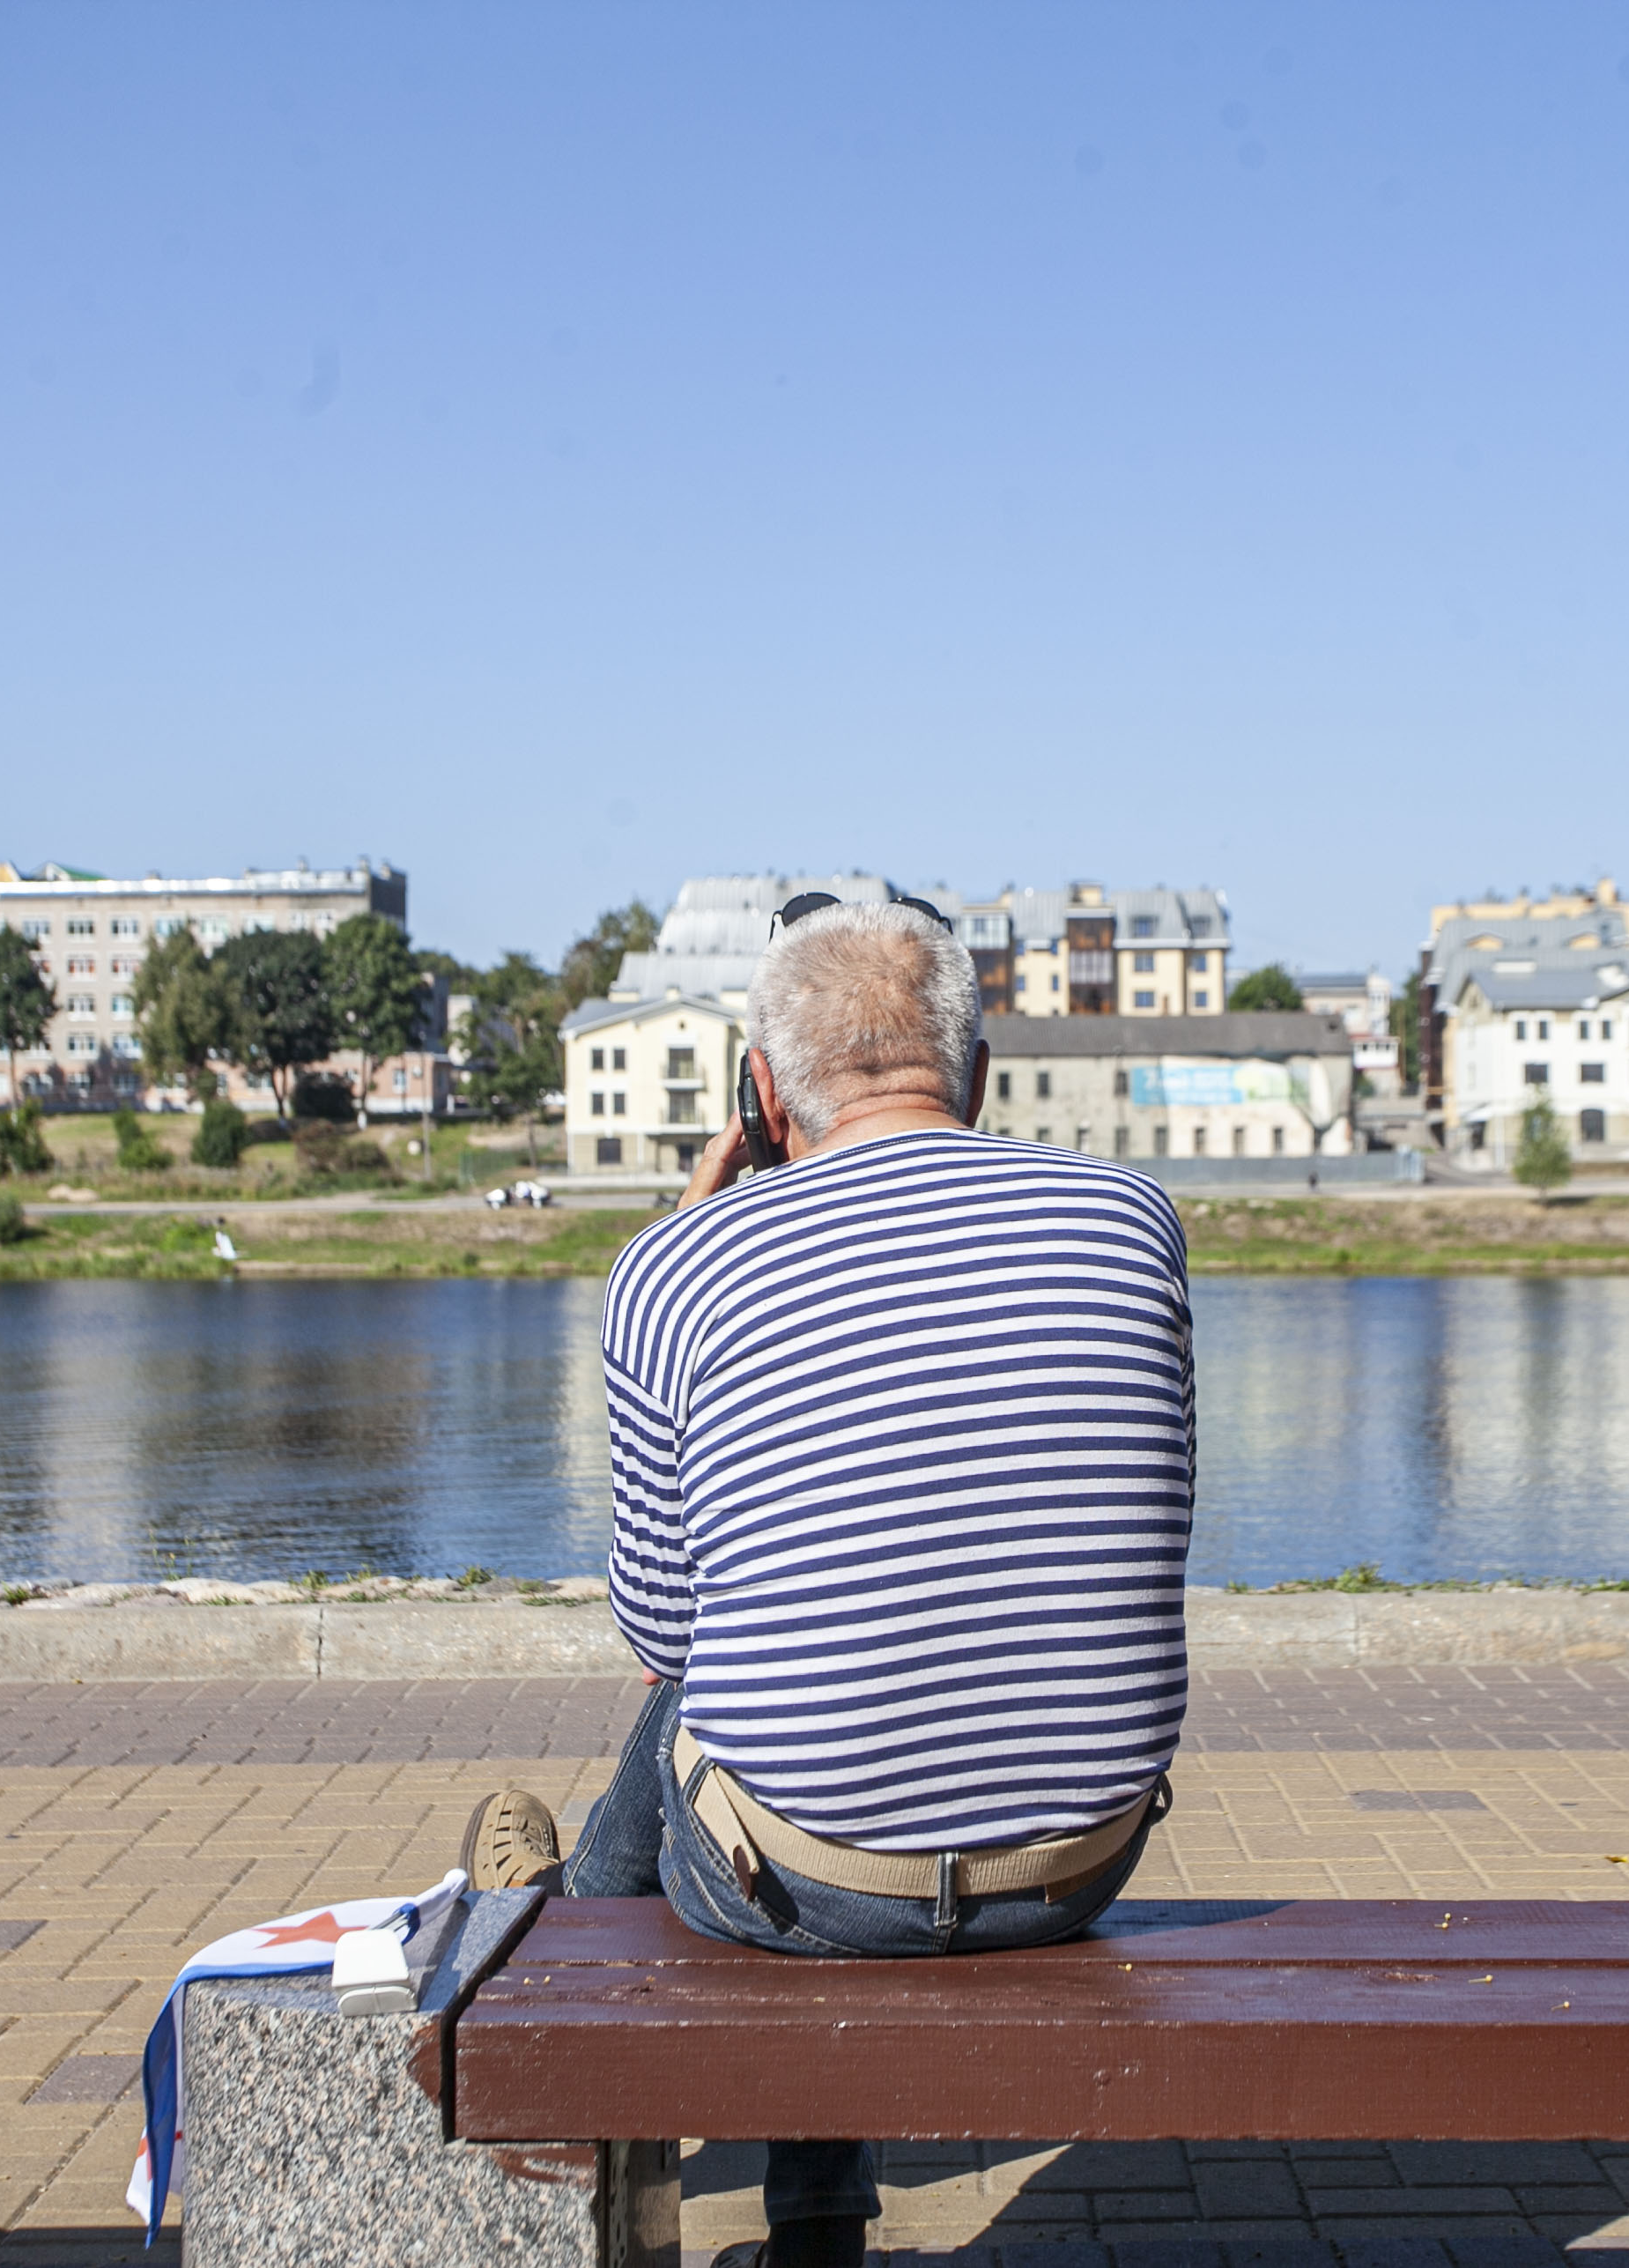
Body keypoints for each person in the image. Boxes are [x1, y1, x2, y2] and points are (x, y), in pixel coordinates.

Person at [464, 897, 1193, 2268]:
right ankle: (808, 2212)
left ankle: (548, 1933)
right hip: (1077, 1860)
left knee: (734, 1736)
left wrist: (675, 1254)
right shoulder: (1131, 1217)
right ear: (976, 1078)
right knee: (782, 1718)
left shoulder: (681, 1264)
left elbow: (661, 1635)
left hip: (802, 1879)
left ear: (761, 1095)